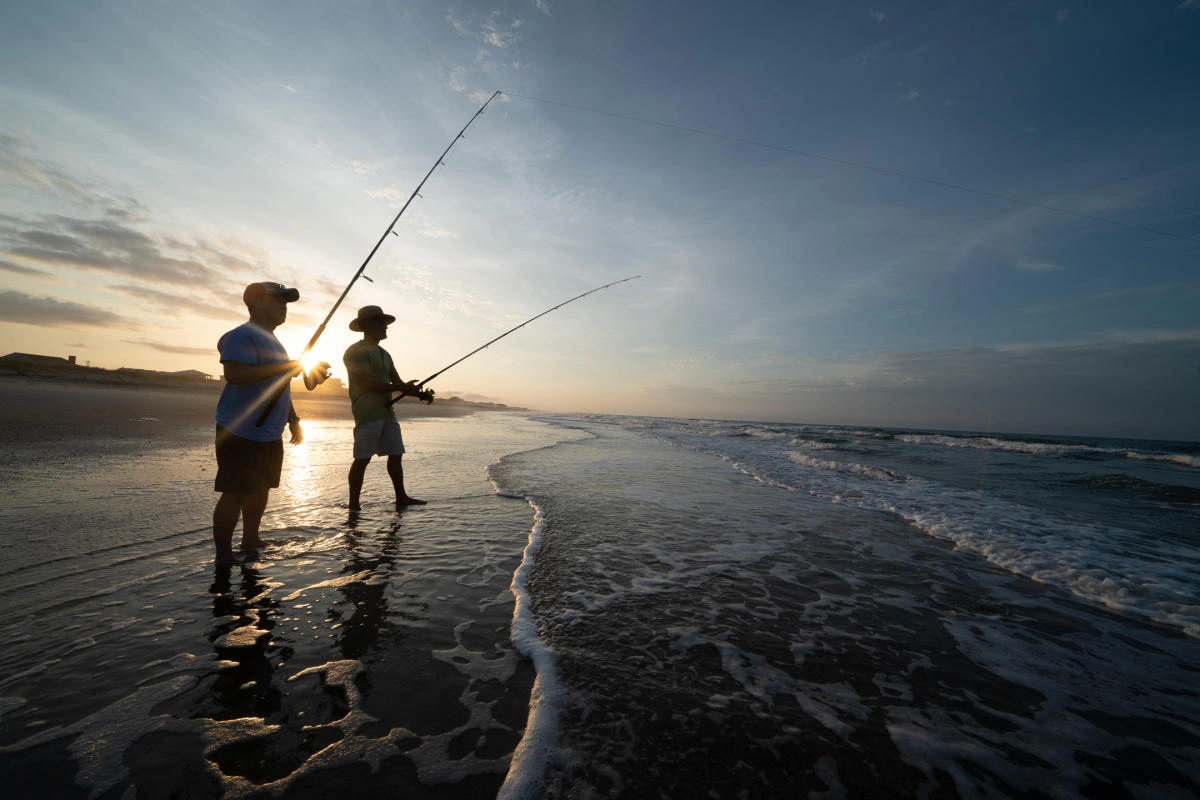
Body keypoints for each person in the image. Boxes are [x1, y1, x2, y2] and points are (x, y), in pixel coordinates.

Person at [212, 281, 330, 566]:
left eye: (285, 302)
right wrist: (286, 367)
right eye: (278, 300)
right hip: (239, 428)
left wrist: (293, 419)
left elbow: (279, 384)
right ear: (255, 301)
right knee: (235, 492)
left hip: (269, 431)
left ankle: (250, 539)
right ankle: (224, 556)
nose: (283, 306)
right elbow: (237, 374)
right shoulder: (242, 336)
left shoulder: (275, 342)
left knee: (261, 488)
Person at [343, 305, 432, 511]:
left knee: (396, 454)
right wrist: (400, 387)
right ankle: (353, 505)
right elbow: (365, 384)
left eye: (385, 323)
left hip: (387, 412)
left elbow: (397, 382)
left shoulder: (385, 354)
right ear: (367, 325)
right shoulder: (355, 351)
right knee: (362, 459)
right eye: (381, 323)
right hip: (367, 413)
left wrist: (421, 394)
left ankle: (401, 497)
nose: (386, 327)